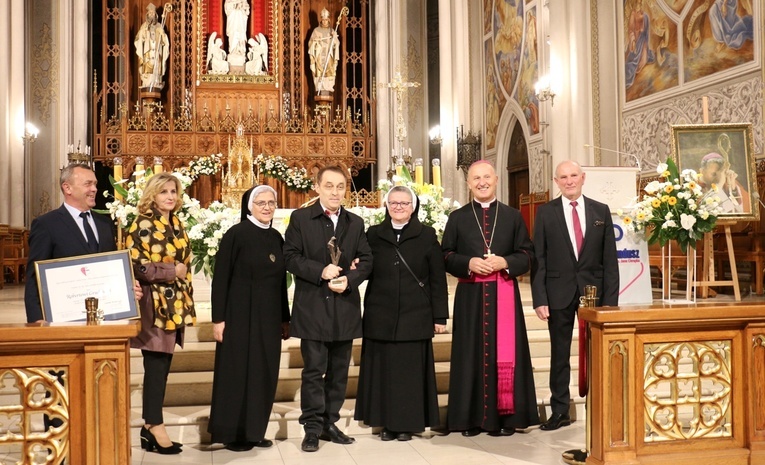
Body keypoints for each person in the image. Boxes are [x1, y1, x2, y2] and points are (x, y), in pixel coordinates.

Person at [441, 160, 539, 437]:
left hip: (503, 294)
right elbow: (445, 255)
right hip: (470, 297)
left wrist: (504, 262)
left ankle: (506, 419)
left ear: (496, 180)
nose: (482, 182)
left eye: (486, 177)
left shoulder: (513, 216)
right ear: (468, 183)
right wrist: (469, 262)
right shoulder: (457, 218)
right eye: (476, 178)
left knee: (505, 354)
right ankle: (470, 419)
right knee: (469, 354)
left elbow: (528, 254)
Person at [283, 165, 373, 452]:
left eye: (340, 187)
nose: (335, 192)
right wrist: (320, 270)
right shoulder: (300, 218)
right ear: (317, 187)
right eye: (329, 186)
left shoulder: (355, 222)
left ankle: (329, 423)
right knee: (313, 371)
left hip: (344, 306)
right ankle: (311, 427)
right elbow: (290, 257)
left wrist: (350, 278)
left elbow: (368, 260)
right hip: (313, 306)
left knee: (339, 372)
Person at [354, 186, 449, 442]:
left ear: (413, 206)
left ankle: (407, 424)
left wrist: (440, 317)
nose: (398, 207)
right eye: (394, 203)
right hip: (380, 314)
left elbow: (437, 279)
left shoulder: (427, 235)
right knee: (383, 373)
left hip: (415, 314)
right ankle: (385, 423)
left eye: (404, 203)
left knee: (409, 375)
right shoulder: (373, 234)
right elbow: (363, 266)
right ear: (386, 205)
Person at [531, 160, 619, 431]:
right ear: (556, 182)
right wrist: (540, 298)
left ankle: (599, 405)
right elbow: (539, 259)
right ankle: (560, 411)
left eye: (573, 176)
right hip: (558, 294)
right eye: (563, 177)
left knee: (596, 353)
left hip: (594, 294)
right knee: (560, 355)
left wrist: (610, 304)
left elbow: (610, 261)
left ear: (583, 177)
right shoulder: (546, 213)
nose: (569, 181)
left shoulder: (600, 211)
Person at [208, 185, 291, 451]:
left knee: (263, 374)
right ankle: (233, 433)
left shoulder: (277, 237)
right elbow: (220, 279)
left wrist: (284, 318)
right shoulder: (236, 234)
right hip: (238, 316)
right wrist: (218, 319)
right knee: (237, 373)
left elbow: (281, 283)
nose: (267, 207)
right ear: (249, 206)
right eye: (261, 203)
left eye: (271, 202)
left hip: (268, 319)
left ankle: (255, 430)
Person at [126, 172, 195, 455]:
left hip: (174, 307)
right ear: (152, 195)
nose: (170, 196)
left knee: (162, 368)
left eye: (173, 191)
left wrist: (179, 272)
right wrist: (172, 270)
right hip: (153, 308)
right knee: (156, 368)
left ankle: (149, 427)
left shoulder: (176, 223)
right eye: (164, 191)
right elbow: (137, 266)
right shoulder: (142, 224)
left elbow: (185, 260)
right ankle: (154, 425)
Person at [25, 164, 120, 322]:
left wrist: (127, 290)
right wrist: (36, 319)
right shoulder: (46, 224)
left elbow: (111, 268)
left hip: (105, 314)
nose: (94, 189)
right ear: (67, 188)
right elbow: (34, 276)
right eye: (87, 184)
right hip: (64, 316)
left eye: (95, 184)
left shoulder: (104, 223)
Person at [134, 3, 170, 89]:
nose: (151, 15)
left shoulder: (159, 26)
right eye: (150, 13)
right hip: (148, 54)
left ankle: (156, 84)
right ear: (147, 14)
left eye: (153, 13)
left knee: (156, 70)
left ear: (156, 15)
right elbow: (137, 41)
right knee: (148, 70)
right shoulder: (144, 26)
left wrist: (163, 35)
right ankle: (147, 84)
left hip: (157, 53)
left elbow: (165, 43)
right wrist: (144, 33)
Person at [308, 8, 340, 95]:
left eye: (326, 20)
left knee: (330, 71)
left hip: (328, 55)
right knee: (319, 72)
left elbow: (336, 44)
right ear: (321, 20)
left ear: (328, 20)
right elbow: (310, 44)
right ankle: (319, 87)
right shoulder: (316, 31)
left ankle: (328, 86)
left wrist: (334, 38)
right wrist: (315, 42)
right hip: (319, 56)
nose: (325, 22)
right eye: (323, 20)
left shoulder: (332, 31)